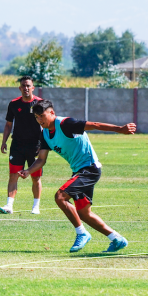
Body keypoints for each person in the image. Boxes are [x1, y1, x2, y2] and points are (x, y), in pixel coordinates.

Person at [19, 100, 135, 253]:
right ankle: (117, 239)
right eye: (36, 117)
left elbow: (94, 125)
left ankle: (82, 233)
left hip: (90, 169)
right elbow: (41, 159)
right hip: (79, 171)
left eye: (42, 116)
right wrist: (28, 171)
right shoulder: (45, 133)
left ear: (52, 112)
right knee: (84, 213)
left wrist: (120, 129)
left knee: (60, 196)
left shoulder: (66, 124)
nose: (39, 120)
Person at [0, 76, 43, 214]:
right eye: (23, 85)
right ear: (20, 88)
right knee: (13, 175)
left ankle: (36, 207)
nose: (26, 88)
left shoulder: (40, 103)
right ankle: (9, 206)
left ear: (33, 88)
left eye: (28, 85)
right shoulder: (14, 104)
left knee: (35, 177)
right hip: (17, 145)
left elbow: (46, 125)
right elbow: (8, 124)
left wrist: (44, 144)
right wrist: (4, 141)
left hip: (35, 146)